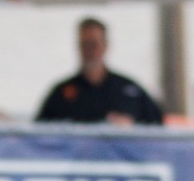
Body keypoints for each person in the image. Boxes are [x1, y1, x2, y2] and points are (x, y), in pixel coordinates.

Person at [35, 18, 163, 125]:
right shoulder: (62, 93)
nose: (89, 51)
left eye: (93, 44)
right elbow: (39, 134)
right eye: (84, 45)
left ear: (105, 46)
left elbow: (157, 130)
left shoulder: (130, 90)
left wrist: (132, 127)